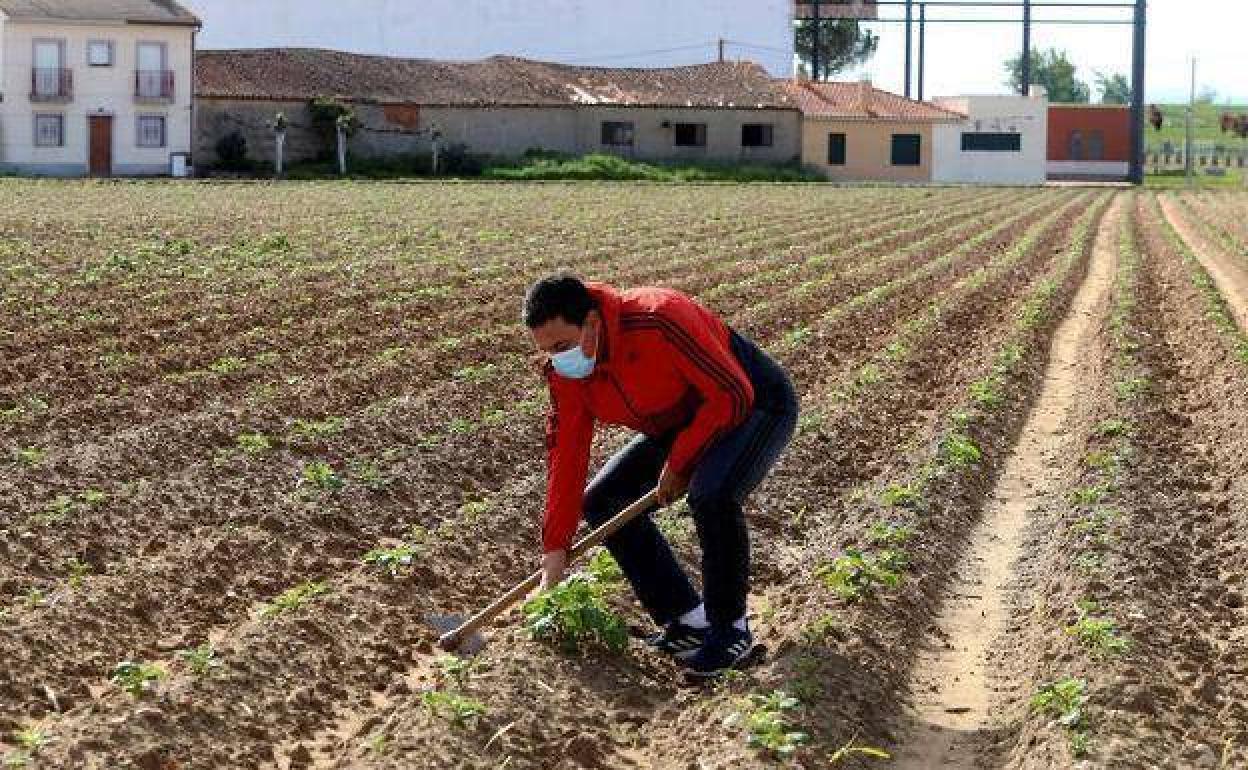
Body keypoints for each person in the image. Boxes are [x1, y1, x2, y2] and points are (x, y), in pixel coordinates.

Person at [523, 272, 798, 677]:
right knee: (602, 500)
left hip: (754, 403)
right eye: (548, 352)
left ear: (593, 322)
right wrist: (555, 549)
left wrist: (681, 463)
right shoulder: (568, 374)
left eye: (563, 345)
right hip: (682, 421)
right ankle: (688, 620)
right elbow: (567, 455)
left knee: (712, 494)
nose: (558, 358)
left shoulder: (657, 318)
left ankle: (730, 632)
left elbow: (732, 394)